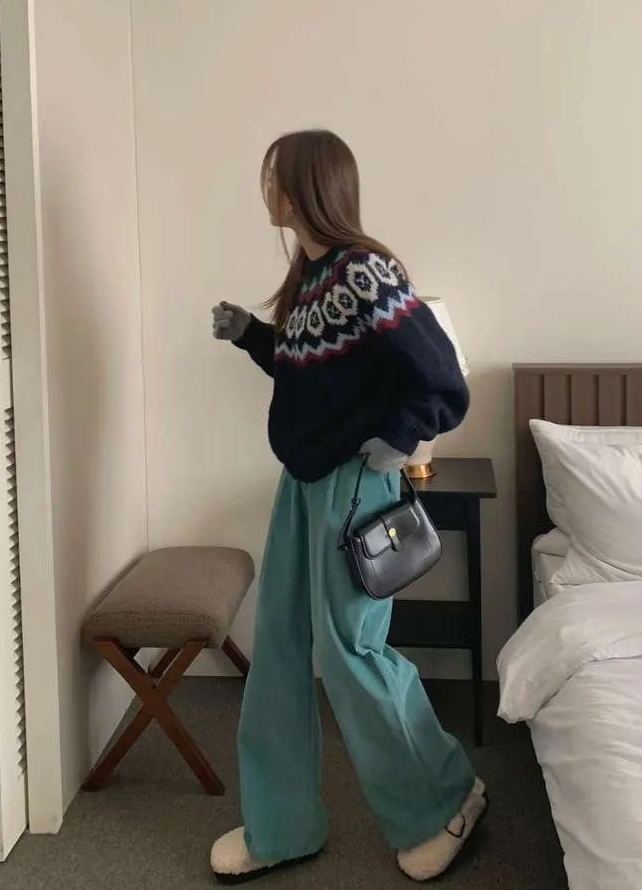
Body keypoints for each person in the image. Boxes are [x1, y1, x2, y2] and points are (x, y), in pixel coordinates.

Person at [209, 130, 485, 884]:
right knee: (278, 647)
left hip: (353, 483)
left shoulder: (364, 272)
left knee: (350, 651)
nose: (267, 188)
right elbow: (310, 373)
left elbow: (443, 376)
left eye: (275, 175)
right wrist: (252, 335)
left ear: (307, 186)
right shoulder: (311, 276)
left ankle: (448, 798)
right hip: (301, 483)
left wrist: (402, 437)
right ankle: (281, 824)